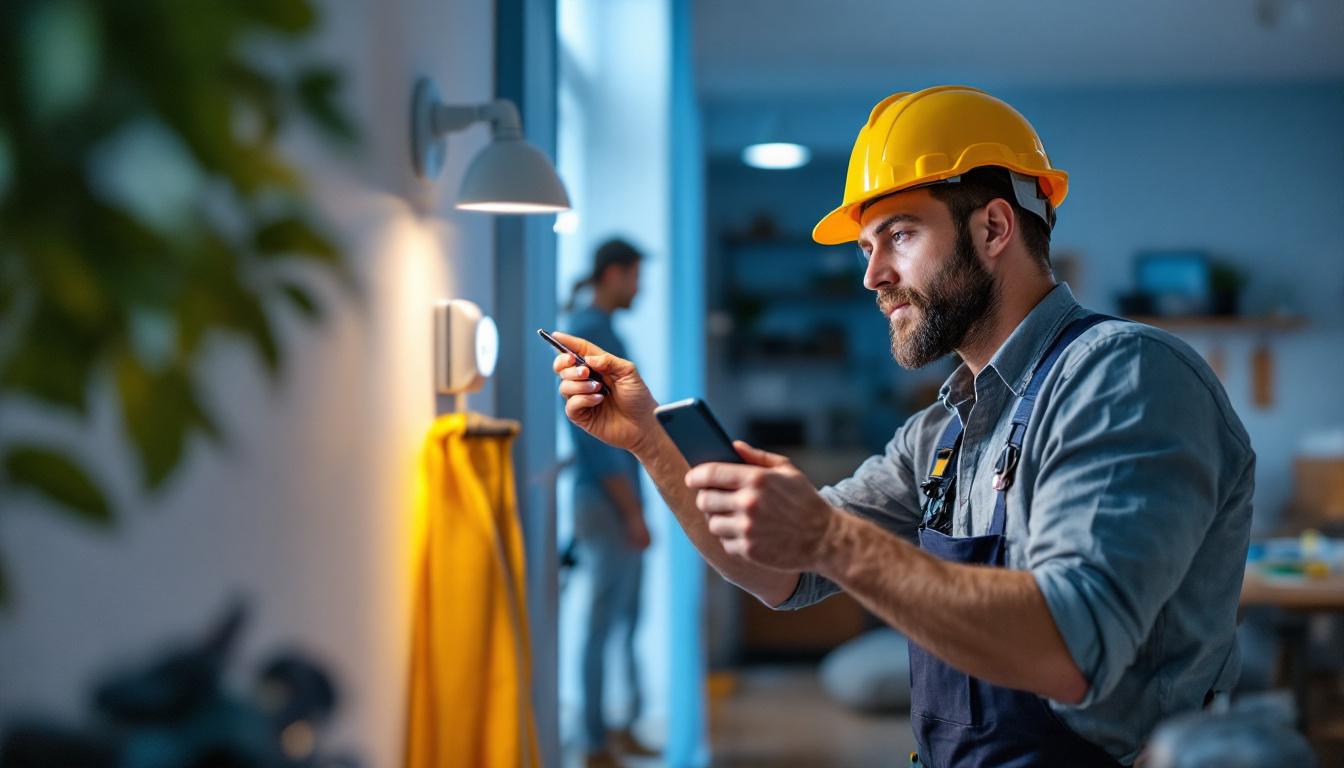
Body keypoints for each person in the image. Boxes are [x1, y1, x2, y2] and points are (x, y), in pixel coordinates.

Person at [550, 86, 1253, 766]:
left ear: (994, 228)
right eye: (866, 248)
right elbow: (781, 573)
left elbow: (1071, 648)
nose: (873, 276)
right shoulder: (939, 432)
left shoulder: (1123, 375)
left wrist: (830, 537)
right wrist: (648, 441)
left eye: (900, 235)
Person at [563, 238, 659, 768]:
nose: (640, 288)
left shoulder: (604, 329)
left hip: (614, 500)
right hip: (605, 502)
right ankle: (595, 742)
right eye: (636, 276)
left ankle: (621, 728)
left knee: (625, 619)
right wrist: (632, 513)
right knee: (603, 626)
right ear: (614, 274)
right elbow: (600, 443)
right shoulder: (591, 332)